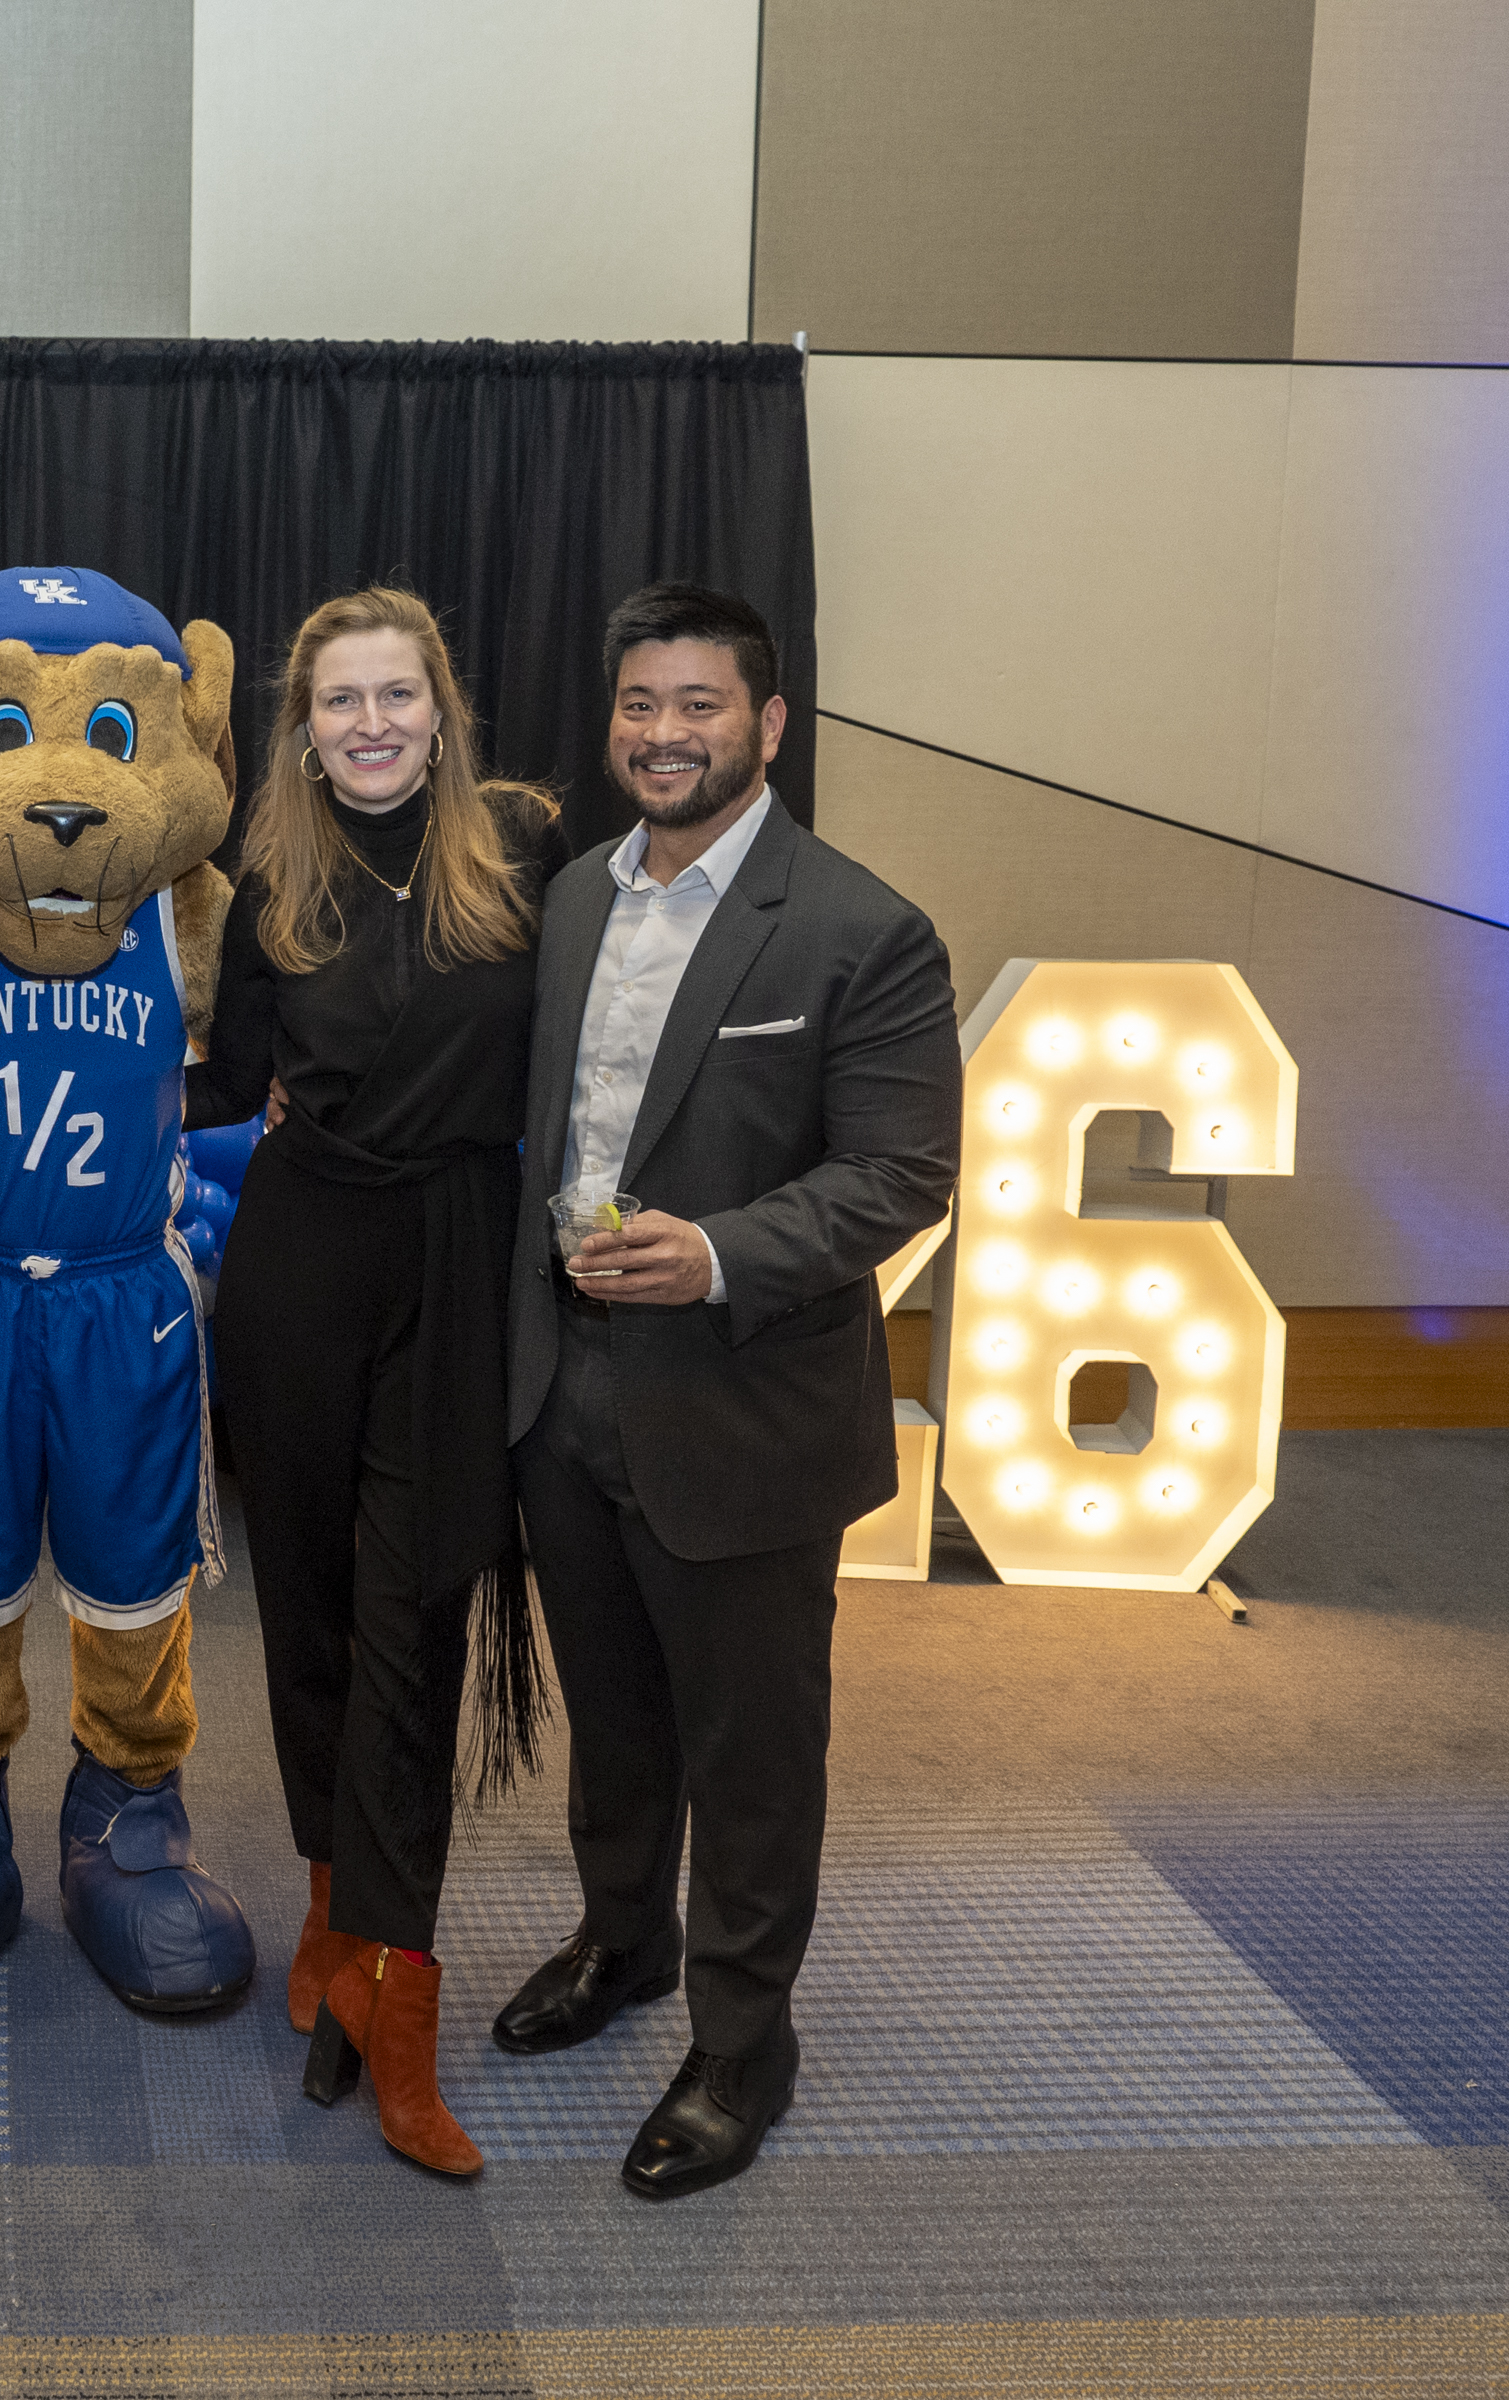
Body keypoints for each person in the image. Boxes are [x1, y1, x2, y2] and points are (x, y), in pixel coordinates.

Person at [497, 584, 961, 2198]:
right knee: (616, 1723)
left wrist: (718, 1256)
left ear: (768, 726)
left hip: (745, 1404)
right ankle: (622, 1946)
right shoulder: (567, 901)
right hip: (566, 1394)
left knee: (752, 1749)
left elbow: (904, 1174)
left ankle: (742, 2040)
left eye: (700, 706)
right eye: (640, 705)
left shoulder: (859, 928)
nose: (665, 733)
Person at [189, 586, 567, 2179]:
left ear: (441, 705)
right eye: (338, 700)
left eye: (394, 695)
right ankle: (334, 1913)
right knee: (319, 1617)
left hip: (462, 1262)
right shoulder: (270, 874)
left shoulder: (532, 850)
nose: (368, 723)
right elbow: (218, 1082)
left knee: (418, 1620)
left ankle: (399, 2001)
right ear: (304, 722)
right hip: (299, 1261)